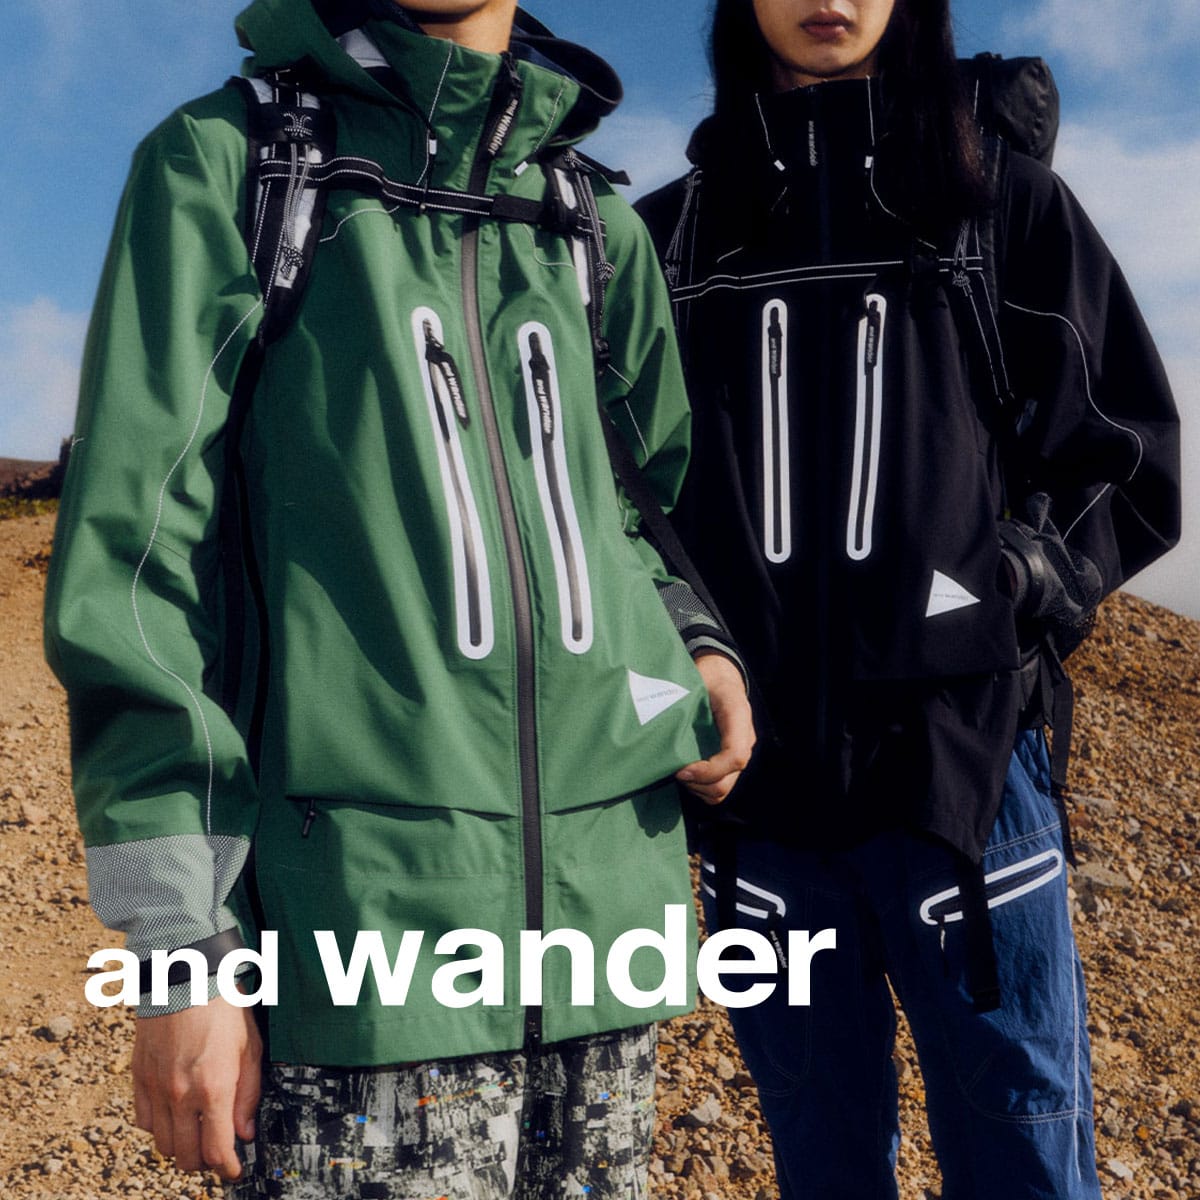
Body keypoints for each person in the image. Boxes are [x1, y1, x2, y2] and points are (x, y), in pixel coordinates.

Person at [43, 0, 755, 1195]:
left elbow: (637, 511)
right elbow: (139, 565)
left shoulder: (595, 224)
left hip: (610, 942)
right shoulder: (229, 167)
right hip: (363, 962)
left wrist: (693, 639)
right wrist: (181, 952)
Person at [636, 1, 1180, 1197]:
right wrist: (685, 645)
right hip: (761, 806)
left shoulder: (1001, 208)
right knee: (820, 1156)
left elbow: (1128, 454)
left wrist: (1015, 581)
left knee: (1023, 1154)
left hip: (967, 785)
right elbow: (617, 495)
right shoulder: (670, 239)